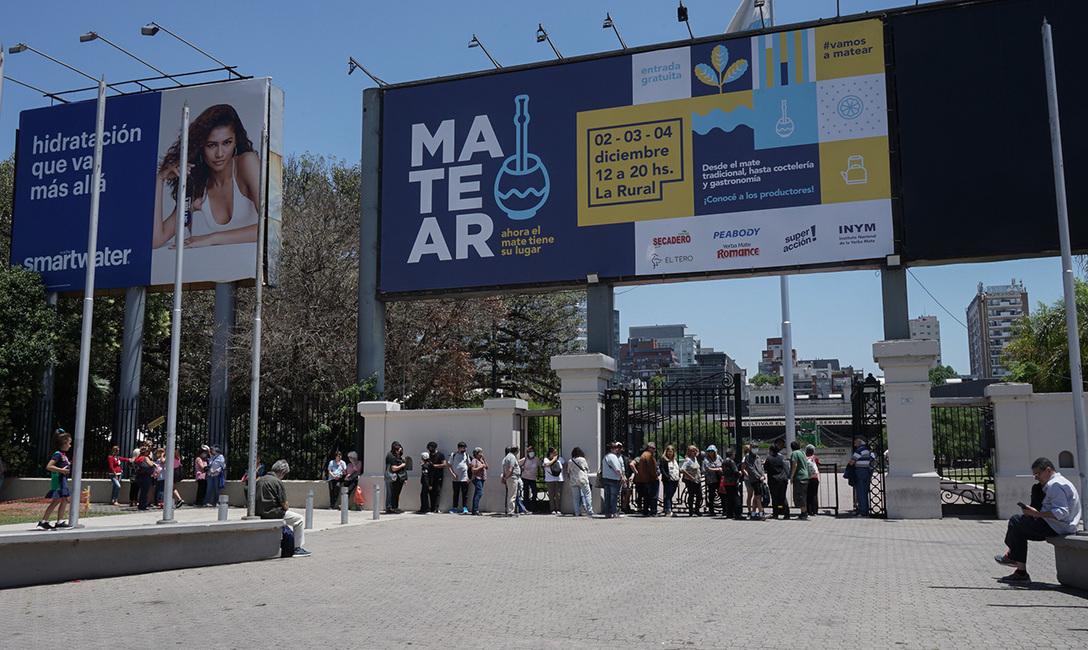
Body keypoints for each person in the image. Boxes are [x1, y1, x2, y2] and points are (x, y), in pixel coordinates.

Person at [153, 104, 260, 249]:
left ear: (235, 141)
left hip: (259, 266)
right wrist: (160, 178)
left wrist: (212, 238)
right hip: (227, 269)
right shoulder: (198, 191)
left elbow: (270, 225)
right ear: (200, 147)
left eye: (227, 143)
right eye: (211, 145)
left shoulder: (247, 163)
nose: (220, 153)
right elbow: (157, 240)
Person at [995, 457, 1082, 583]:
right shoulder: (1057, 482)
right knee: (1019, 528)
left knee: (1015, 521)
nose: (1036, 477)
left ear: (1048, 470)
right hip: (1060, 525)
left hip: (1057, 526)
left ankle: (1013, 557)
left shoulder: (1055, 485)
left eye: (1038, 474)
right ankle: (1020, 572)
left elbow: (1062, 512)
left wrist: (1037, 514)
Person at [255, 459, 310, 557]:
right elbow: (284, 504)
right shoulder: (277, 481)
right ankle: (297, 548)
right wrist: (286, 508)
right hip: (272, 513)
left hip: (258, 512)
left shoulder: (261, 479)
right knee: (299, 519)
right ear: (281, 472)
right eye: (284, 475)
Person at [38, 431, 73, 530]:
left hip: (63, 480)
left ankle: (59, 521)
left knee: (64, 499)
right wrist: (61, 470)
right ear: (63, 444)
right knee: (56, 500)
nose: (70, 446)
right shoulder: (57, 454)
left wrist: (70, 463)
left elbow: (63, 465)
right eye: (69, 443)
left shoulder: (63, 455)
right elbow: (49, 466)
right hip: (58, 481)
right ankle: (43, 522)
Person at [633, 442, 660, 517]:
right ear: (649, 448)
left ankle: (646, 510)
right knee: (653, 496)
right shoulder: (648, 456)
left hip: (645, 479)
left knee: (646, 496)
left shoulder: (644, 455)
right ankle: (653, 511)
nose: (655, 450)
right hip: (650, 479)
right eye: (653, 448)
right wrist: (655, 476)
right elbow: (651, 468)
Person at [848, 436, 872, 516]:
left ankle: (862, 512)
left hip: (860, 471)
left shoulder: (859, 450)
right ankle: (866, 510)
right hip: (865, 470)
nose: (854, 443)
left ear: (860, 442)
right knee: (864, 491)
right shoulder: (866, 450)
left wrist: (853, 463)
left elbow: (852, 462)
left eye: (856, 441)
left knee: (860, 492)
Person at [764, 443, 790, 520]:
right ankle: (787, 514)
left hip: (774, 480)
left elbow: (765, 469)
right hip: (783, 479)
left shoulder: (769, 459)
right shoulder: (780, 458)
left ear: (771, 451)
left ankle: (776, 514)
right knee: (783, 497)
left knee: (774, 497)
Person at [601, 442, 626, 519]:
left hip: (606, 478)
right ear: (611, 449)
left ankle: (607, 512)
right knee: (614, 496)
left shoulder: (606, 457)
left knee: (607, 496)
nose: (617, 449)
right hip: (614, 479)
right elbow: (617, 468)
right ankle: (614, 512)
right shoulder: (613, 457)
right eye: (615, 448)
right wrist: (621, 477)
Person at [742, 443, 766, 520]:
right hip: (754, 479)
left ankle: (753, 513)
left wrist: (763, 475)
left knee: (757, 497)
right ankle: (761, 513)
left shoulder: (758, 457)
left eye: (756, 447)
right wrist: (759, 477)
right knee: (757, 497)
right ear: (750, 448)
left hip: (760, 479)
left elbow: (761, 468)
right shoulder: (748, 457)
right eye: (753, 447)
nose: (755, 449)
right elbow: (751, 469)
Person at [567, 447, 593, 517]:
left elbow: (568, 471)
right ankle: (589, 510)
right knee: (587, 494)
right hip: (582, 479)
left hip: (573, 480)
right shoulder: (582, 459)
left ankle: (577, 512)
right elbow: (586, 468)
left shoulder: (570, 461)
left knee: (575, 497)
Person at [788, 440, 810, 521]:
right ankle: (804, 511)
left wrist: (791, 476)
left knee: (799, 495)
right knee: (803, 495)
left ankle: (804, 512)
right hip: (805, 476)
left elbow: (795, 464)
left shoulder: (794, 453)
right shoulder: (802, 452)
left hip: (799, 477)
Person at [448, 442, 471, 514]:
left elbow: (469, 466)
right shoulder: (453, 455)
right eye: (463, 447)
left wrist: (468, 477)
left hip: (464, 477)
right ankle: (455, 507)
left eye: (465, 447)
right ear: (459, 448)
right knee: (456, 493)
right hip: (455, 478)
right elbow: (449, 465)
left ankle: (465, 508)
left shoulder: (466, 455)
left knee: (465, 493)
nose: (465, 449)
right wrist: (453, 474)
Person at [720, 448, 743, 520]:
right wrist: (740, 473)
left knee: (729, 498)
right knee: (736, 498)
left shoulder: (724, 461)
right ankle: (737, 514)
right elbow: (735, 472)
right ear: (732, 454)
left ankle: (729, 513)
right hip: (733, 482)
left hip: (726, 482)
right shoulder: (731, 462)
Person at [385, 441, 407, 514]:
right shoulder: (391, 456)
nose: (399, 450)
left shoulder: (399, 456)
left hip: (397, 478)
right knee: (391, 493)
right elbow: (394, 468)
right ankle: (389, 507)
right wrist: (402, 465)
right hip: (391, 477)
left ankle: (394, 507)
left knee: (396, 493)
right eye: (397, 449)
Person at [659, 444, 681, 517]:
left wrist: (679, 476)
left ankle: (667, 508)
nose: (670, 453)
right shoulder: (664, 459)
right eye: (669, 451)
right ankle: (668, 511)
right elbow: (662, 469)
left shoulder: (675, 460)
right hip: (668, 480)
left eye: (671, 451)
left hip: (675, 480)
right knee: (668, 495)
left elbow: (677, 469)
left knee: (670, 495)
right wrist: (668, 477)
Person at [681, 445, 703, 516]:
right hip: (690, 481)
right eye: (693, 451)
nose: (695, 452)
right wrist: (690, 477)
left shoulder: (695, 458)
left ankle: (697, 510)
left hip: (697, 480)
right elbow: (682, 469)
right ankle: (691, 511)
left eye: (696, 450)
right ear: (689, 452)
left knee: (699, 495)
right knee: (691, 496)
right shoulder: (688, 460)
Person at [543, 447, 565, 514]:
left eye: (556, 452)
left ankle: (558, 509)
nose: (556, 454)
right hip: (550, 480)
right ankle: (552, 509)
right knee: (551, 495)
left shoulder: (560, 459)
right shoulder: (546, 459)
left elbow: (565, 465)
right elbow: (546, 465)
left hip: (559, 479)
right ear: (550, 453)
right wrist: (553, 460)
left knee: (558, 495)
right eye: (554, 452)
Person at [702, 445, 723, 516]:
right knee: (711, 495)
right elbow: (708, 469)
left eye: (712, 451)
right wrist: (718, 469)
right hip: (711, 480)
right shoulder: (706, 459)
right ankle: (711, 510)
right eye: (709, 451)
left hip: (719, 479)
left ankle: (725, 509)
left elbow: (722, 464)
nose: (710, 452)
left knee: (722, 494)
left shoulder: (718, 457)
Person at [501, 444, 522, 517]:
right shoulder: (512, 457)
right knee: (512, 495)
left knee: (510, 494)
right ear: (516, 451)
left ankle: (509, 510)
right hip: (512, 478)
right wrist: (505, 477)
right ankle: (511, 512)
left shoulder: (507, 457)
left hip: (510, 478)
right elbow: (511, 469)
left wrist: (505, 477)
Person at [426, 441, 447, 513]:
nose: (430, 450)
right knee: (431, 492)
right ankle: (432, 507)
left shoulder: (440, 455)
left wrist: (434, 466)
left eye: (431, 448)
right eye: (429, 448)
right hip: (430, 477)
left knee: (437, 491)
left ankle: (436, 507)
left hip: (438, 476)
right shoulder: (429, 455)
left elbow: (444, 464)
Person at [133, 445, 155, 511]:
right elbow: (151, 465)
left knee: (142, 491)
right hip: (145, 476)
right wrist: (152, 462)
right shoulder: (145, 458)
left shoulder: (137, 458)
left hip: (138, 476)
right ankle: (143, 505)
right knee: (144, 492)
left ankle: (141, 504)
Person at [469, 447, 488, 515]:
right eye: (479, 453)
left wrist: (484, 460)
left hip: (482, 478)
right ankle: (475, 509)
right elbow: (473, 470)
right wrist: (480, 467)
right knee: (479, 493)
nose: (481, 454)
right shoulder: (474, 460)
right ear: (476, 454)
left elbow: (486, 467)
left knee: (477, 493)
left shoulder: (481, 460)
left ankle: (474, 509)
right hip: (477, 478)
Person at [805, 445, 820, 517]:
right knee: (814, 494)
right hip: (815, 477)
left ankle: (809, 511)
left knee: (808, 495)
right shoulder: (815, 458)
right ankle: (815, 511)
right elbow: (818, 465)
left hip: (807, 478)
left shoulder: (804, 458)